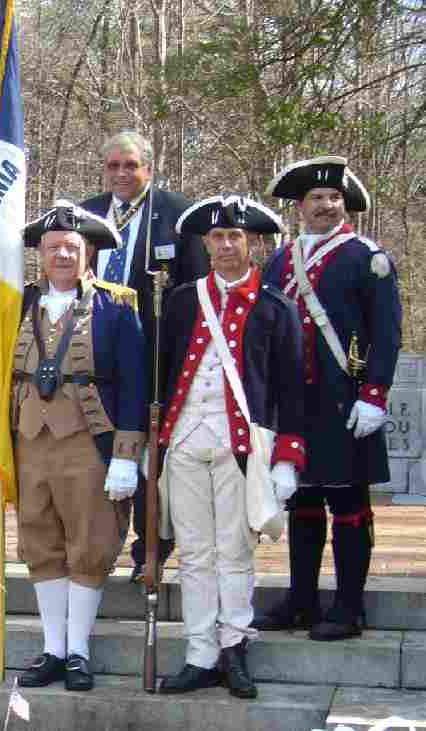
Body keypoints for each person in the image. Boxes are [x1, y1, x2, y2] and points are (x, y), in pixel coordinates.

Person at [156, 196, 305, 699]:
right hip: (185, 437)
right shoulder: (181, 301)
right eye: (216, 237)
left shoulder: (275, 307)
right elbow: (164, 373)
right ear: (205, 243)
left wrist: (288, 457)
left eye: (234, 236)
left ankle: (233, 648)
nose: (224, 245)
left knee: (235, 551)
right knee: (195, 552)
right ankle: (200, 653)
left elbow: (291, 389)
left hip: (243, 443)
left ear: (251, 242)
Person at [256, 156, 402, 641]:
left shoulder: (366, 257)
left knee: (348, 503)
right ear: (300, 208)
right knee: (301, 503)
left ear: (346, 206)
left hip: (346, 400)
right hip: (295, 404)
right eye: (316, 199)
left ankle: (348, 606)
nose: (326, 205)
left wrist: (375, 395)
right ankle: (301, 599)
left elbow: (387, 330)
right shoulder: (280, 260)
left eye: (334, 198)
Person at [10, 202, 146, 691]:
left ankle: (78, 652)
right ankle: (52, 648)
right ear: (40, 256)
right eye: (53, 249)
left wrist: (127, 456)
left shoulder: (116, 305)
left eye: (71, 248)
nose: (62, 256)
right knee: (40, 541)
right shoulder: (19, 304)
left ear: (87, 253)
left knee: (90, 542)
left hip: (90, 442)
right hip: (29, 440)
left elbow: (134, 383)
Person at [79, 130, 210, 583]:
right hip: (96, 353)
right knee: (101, 452)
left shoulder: (177, 216)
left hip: (158, 352)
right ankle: (96, 550)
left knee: (151, 458)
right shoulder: (88, 213)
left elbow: (197, 290)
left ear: (148, 169)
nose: (120, 174)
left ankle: (150, 550)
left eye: (130, 166)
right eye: (112, 166)